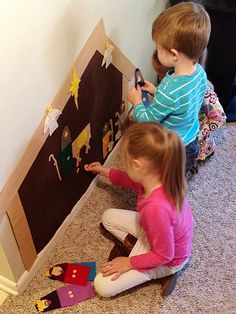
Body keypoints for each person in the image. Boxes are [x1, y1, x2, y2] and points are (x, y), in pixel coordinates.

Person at [84, 122, 194, 297]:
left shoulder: (156, 209)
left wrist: (130, 262)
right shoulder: (157, 176)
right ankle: (137, 249)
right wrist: (102, 170)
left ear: (138, 165)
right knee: (108, 217)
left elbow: (165, 255)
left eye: (126, 163)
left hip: (168, 259)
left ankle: (165, 274)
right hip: (158, 234)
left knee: (102, 286)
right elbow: (128, 179)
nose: (125, 166)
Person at [127, 2, 211, 177]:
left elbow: (148, 120)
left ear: (174, 54)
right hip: (191, 140)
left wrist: (137, 102)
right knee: (180, 176)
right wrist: (156, 91)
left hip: (172, 148)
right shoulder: (200, 73)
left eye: (158, 48)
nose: (156, 51)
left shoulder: (169, 91)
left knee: (166, 182)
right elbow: (182, 101)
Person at [152, 50, 226, 165]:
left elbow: (220, 117)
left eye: (163, 76)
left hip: (195, 142)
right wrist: (155, 91)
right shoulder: (175, 87)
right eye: (160, 77)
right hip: (179, 135)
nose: (162, 81)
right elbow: (175, 101)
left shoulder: (206, 91)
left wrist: (198, 133)